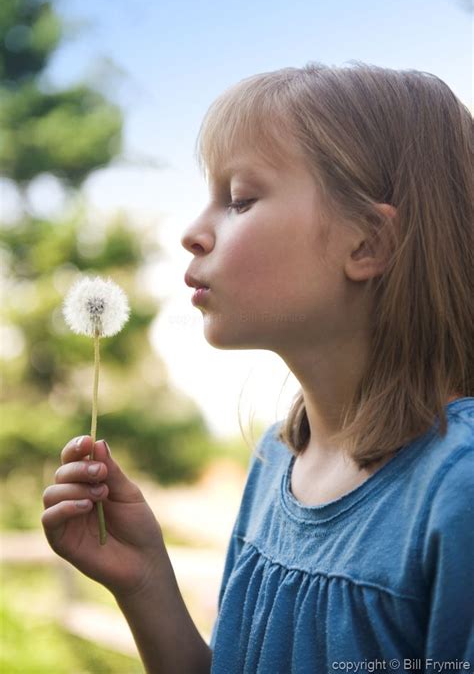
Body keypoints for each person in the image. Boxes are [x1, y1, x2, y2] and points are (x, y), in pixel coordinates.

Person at [42, 62, 473, 673]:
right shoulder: (276, 464)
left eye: (239, 200)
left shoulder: (459, 490)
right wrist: (144, 585)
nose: (192, 232)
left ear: (368, 244)